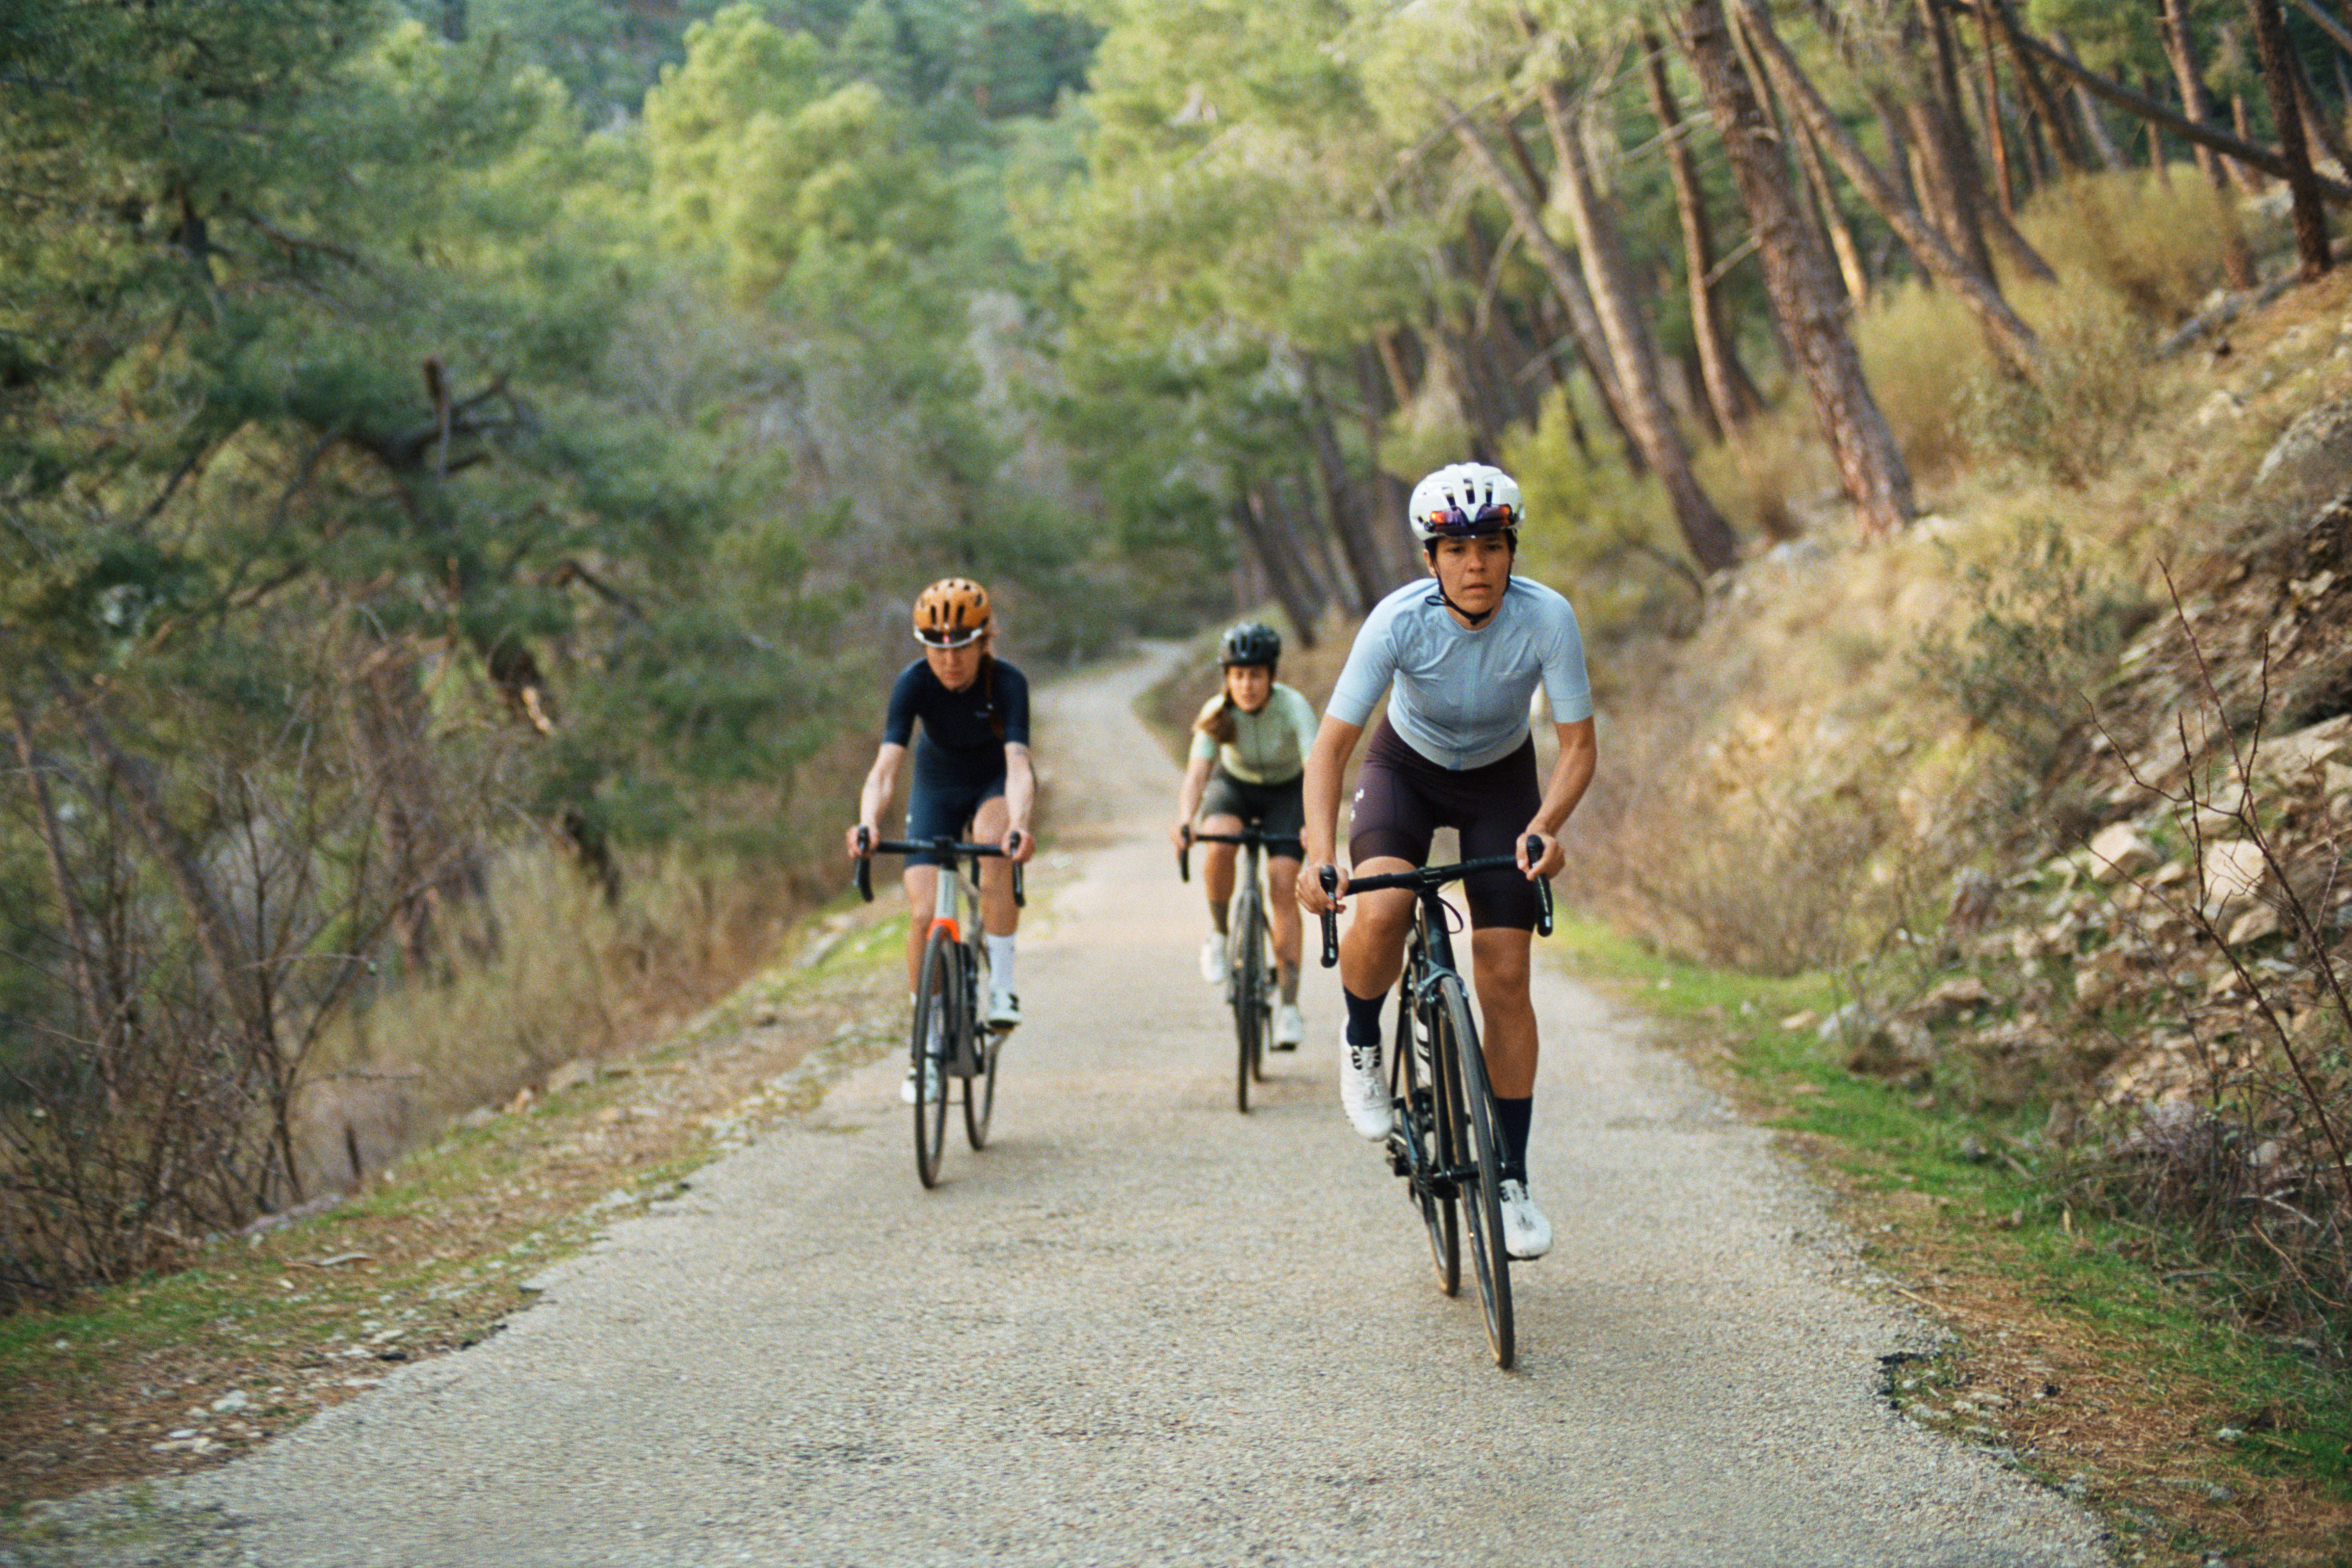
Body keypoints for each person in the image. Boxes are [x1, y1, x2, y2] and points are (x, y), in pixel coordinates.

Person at [1296, 463, 1597, 1261]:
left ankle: (1512, 1180)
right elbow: (1332, 746)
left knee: (1504, 970)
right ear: (1430, 558)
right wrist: (1317, 851)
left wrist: (1546, 824)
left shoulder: (1547, 618)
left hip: (1502, 781)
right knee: (1384, 909)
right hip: (1406, 771)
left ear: (1511, 549)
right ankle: (1362, 1040)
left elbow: (1577, 746)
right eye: (1457, 547)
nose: (1477, 563)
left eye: (1492, 545)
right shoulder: (1397, 621)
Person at [847, 578, 1037, 1102]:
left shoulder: (1009, 684)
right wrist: (868, 823)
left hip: (993, 782)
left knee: (993, 837)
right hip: (936, 785)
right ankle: (925, 1049)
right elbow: (886, 768)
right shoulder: (912, 683)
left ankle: (1001, 987)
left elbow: (1019, 764)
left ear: (984, 642)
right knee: (924, 912)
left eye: (961, 647)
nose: (949, 660)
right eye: (937, 647)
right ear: (923, 646)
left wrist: (1021, 823)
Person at [1170, 621, 1315, 1049]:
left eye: (1255, 675)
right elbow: (1197, 774)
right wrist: (1184, 819)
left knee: (1284, 884)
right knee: (1217, 840)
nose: (1247, 685)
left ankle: (1289, 1008)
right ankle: (1218, 937)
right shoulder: (1216, 711)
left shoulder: (1293, 707)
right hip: (1235, 787)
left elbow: (1315, 767)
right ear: (1227, 678)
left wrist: (1315, 822)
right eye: (1238, 675)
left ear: (1271, 676)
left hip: (1289, 792)